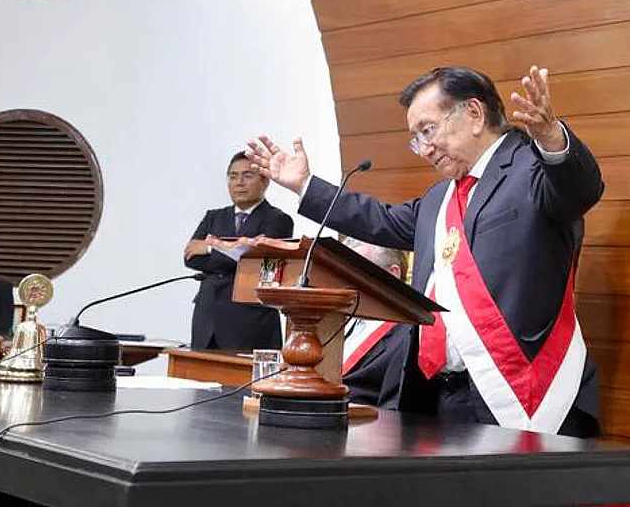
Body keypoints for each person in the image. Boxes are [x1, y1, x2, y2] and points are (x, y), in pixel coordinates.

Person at [247, 65, 603, 437]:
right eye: (416, 139)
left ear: (474, 113)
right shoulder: (439, 199)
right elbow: (379, 220)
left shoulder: (532, 167)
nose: (425, 149)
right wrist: (304, 185)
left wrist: (551, 138)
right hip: (441, 396)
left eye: (428, 130)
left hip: (522, 389)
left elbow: (581, 189)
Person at [184, 151, 294, 350]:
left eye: (247, 176)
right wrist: (238, 252)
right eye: (233, 177)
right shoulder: (214, 217)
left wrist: (210, 247)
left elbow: (263, 266)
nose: (239, 183)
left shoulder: (278, 220)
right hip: (207, 318)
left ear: (265, 181)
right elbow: (192, 259)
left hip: (250, 322)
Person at [338, 236, 412, 408]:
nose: (347, 282)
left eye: (358, 272)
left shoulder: (408, 334)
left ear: (392, 274)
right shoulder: (337, 321)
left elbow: (395, 406)